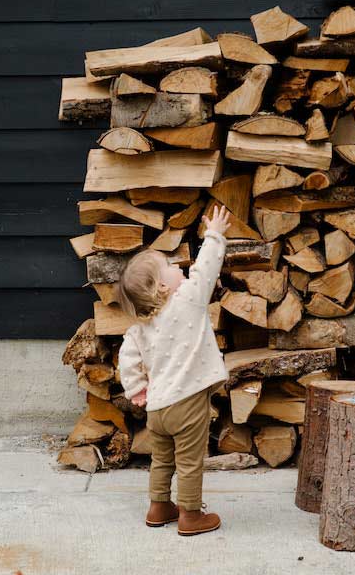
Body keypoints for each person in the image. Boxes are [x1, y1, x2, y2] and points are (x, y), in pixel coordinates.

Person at [117, 204, 231, 536]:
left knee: (163, 460)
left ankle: (158, 507)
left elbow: (127, 356)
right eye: (169, 266)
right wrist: (214, 235)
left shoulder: (141, 326)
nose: (178, 266)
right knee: (190, 462)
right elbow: (205, 270)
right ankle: (191, 515)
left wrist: (137, 389)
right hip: (188, 402)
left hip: (158, 408)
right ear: (162, 288)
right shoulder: (188, 302)